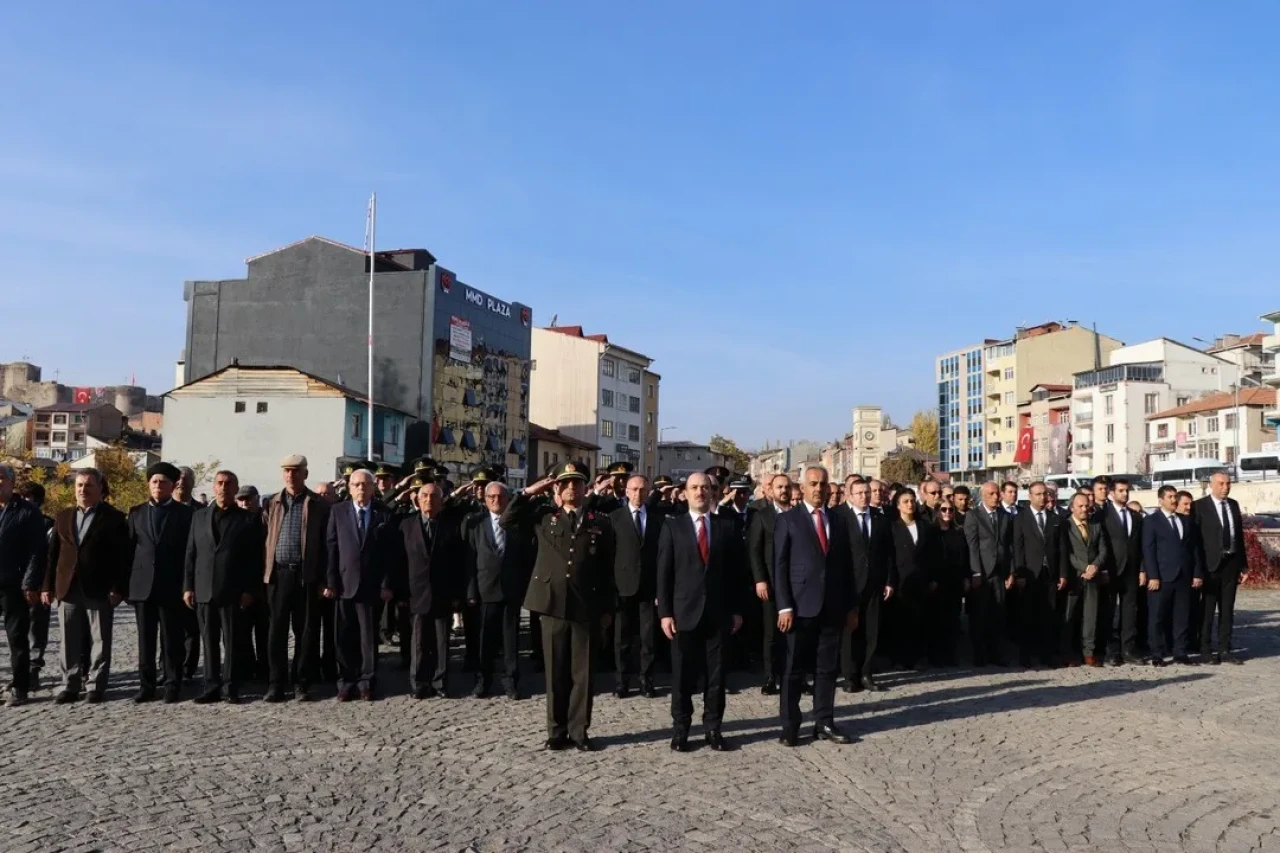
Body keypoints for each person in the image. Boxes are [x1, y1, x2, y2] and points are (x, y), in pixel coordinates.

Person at [502, 463, 615, 752]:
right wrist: (529, 491)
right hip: (551, 604)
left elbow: (606, 569)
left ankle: (579, 731)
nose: (570, 488)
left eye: (576, 483)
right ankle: (556, 731)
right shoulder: (544, 518)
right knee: (555, 672)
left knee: (583, 674)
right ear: (557, 488)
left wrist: (606, 610)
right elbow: (507, 519)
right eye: (565, 483)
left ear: (585, 488)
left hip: (585, 606)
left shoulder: (599, 522)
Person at [657, 472, 745, 752]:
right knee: (682, 675)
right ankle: (681, 729)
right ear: (684, 492)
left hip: (718, 613)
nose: (700, 492)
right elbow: (664, 573)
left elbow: (736, 574)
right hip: (684, 613)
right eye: (694, 488)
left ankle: (713, 728)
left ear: (713, 493)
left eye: (705, 488)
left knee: (716, 676)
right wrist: (665, 613)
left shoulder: (726, 527)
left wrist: (737, 610)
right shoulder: (673, 527)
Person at [773, 465, 858, 747]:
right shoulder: (789, 519)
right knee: (794, 669)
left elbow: (847, 567)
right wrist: (784, 606)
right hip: (799, 606)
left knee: (827, 669)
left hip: (832, 606)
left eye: (823, 483)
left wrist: (850, 607)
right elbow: (780, 566)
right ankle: (790, 725)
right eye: (813, 483)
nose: (819, 488)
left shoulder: (838, 520)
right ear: (803, 487)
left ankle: (824, 722)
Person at [45, 468, 130, 704]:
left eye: (89, 486)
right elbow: (53, 555)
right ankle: (70, 684)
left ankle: (95, 685)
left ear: (100, 489)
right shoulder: (63, 516)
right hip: (67, 588)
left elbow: (122, 557)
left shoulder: (114, 518)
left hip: (99, 588)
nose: (83, 490)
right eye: (79, 485)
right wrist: (47, 586)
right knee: (68, 639)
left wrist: (119, 587)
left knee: (99, 640)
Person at [183, 470, 265, 703]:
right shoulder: (199, 517)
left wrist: (250, 590)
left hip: (233, 591)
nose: (224, 487)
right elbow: (191, 553)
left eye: (229, 484)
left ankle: (231, 686)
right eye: (220, 483)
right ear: (213, 487)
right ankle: (211, 685)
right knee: (208, 641)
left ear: (235, 488)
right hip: (204, 590)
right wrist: (188, 586)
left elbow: (254, 559)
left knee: (232, 642)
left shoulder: (248, 520)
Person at [262, 455, 331, 702]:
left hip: (306, 577)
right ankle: (276, 684)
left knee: (306, 633)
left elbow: (326, 546)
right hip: (278, 576)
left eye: (296, 471)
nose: (291, 475)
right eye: (287, 471)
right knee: (276, 633)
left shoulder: (317, 505)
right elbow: (264, 539)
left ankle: (302, 683)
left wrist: (324, 579)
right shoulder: (272, 503)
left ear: (305, 473)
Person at [127, 462, 196, 703]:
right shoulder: (136, 513)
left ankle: (171, 685)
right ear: (148, 484)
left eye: (163, 482)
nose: (158, 486)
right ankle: (146, 686)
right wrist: (126, 587)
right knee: (145, 640)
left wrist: (188, 585)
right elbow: (128, 551)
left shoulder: (186, 515)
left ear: (173, 485)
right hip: (142, 587)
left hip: (171, 586)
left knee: (171, 640)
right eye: (154, 481)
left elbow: (190, 553)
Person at [324, 468, 393, 700]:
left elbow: (388, 554)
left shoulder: (383, 514)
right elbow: (331, 547)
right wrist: (331, 581)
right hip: (344, 584)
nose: (361, 488)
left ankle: (367, 680)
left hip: (371, 586)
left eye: (365, 484)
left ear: (373, 487)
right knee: (344, 636)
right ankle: (346, 680)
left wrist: (385, 584)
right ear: (349, 488)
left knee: (368, 637)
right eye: (356, 484)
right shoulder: (338, 511)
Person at [465, 481, 534, 699]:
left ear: (507, 499)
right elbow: (470, 561)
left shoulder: (517, 525)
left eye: (501, 497)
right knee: (485, 641)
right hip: (485, 592)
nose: (496, 501)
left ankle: (511, 682)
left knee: (510, 642)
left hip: (511, 591)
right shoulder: (476, 525)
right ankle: (483, 681)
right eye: (492, 497)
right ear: (485, 500)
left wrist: (524, 589)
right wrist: (471, 592)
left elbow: (526, 559)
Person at [835, 479, 894, 693]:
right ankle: (850, 676)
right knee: (850, 631)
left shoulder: (879, 518)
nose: (864, 496)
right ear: (849, 495)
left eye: (866, 492)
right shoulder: (840, 517)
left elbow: (888, 553)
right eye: (859, 493)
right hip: (849, 583)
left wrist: (889, 580)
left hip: (874, 583)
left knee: (871, 630)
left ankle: (866, 673)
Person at [608, 474, 663, 699]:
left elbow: (662, 555)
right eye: (634, 489)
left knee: (648, 638)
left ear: (648, 491)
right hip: (623, 587)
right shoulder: (615, 518)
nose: (638, 494)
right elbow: (609, 555)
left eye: (642, 490)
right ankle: (622, 681)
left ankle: (646, 681)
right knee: (622, 638)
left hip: (649, 587)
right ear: (626, 492)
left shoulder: (659, 519)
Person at [0, 464, 48, 706]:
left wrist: (29, 582)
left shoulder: (27, 512)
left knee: (17, 636)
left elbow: (36, 551)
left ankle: (20, 686)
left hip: (13, 583)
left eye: (1, 479)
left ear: (11, 482)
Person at [1142, 485, 1204, 667]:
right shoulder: (1152, 521)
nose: (1173, 500)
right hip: (1161, 577)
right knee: (1157, 616)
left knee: (1181, 616)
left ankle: (1180, 652)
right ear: (1160, 500)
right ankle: (1157, 653)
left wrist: (1197, 573)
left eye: (1175, 496)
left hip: (1183, 576)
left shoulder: (1185, 521)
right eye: (1169, 496)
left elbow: (1194, 550)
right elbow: (1149, 549)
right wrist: (1152, 575)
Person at [1193, 472, 1247, 664]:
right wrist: (1197, 570)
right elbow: (1196, 542)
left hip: (1231, 564)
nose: (1226, 487)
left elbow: (1238, 536)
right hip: (1210, 566)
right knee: (1207, 609)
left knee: (1227, 609)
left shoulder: (1233, 505)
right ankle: (1205, 649)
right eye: (1222, 483)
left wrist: (1243, 565)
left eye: (1228, 483)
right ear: (1212, 485)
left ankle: (1225, 648)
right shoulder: (1199, 506)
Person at [746, 473, 791, 695]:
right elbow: (754, 551)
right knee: (772, 633)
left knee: (794, 633)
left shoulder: (798, 515)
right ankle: (771, 676)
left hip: (796, 584)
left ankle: (794, 676)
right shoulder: (762, 516)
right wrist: (760, 579)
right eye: (779, 487)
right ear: (771, 491)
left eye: (786, 487)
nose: (783, 490)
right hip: (770, 584)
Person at [888, 488, 939, 671]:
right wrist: (890, 581)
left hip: (921, 580)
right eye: (906, 501)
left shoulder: (924, 526)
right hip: (901, 581)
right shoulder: (892, 527)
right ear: (898, 505)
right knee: (900, 621)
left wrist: (933, 578)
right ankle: (900, 658)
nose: (910, 505)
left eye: (912, 501)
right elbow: (890, 557)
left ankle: (917, 657)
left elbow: (933, 555)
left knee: (919, 620)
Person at [1012, 482, 1062, 667]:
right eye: (1038, 494)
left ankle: (1046, 656)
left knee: (1048, 617)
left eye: (1045, 494)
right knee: (1027, 616)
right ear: (1030, 496)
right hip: (1030, 574)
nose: (1042, 497)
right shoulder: (1020, 518)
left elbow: (1060, 548)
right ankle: (1025, 657)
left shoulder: (1054, 518)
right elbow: (1018, 548)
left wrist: (1062, 573)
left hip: (1049, 574)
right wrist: (1020, 573)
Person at [964, 481, 1014, 666]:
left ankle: (996, 654)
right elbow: (972, 546)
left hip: (999, 572)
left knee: (998, 614)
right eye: (992, 493)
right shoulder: (973, 515)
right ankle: (979, 655)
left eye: (997, 493)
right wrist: (975, 572)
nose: (996, 497)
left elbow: (1009, 546)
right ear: (984, 495)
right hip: (982, 573)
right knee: (979, 616)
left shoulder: (1005, 516)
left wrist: (1011, 571)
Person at [1098, 477, 1145, 665]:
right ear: (1111, 493)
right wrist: (1101, 569)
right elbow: (1099, 544)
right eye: (1120, 491)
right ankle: (1110, 650)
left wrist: (1142, 569)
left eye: (1127, 491)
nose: (1125, 494)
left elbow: (1141, 546)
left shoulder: (1135, 516)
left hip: (1131, 571)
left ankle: (1128, 649)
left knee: (1129, 611)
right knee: (1109, 611)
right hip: (1110, 570)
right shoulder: (1102, 515)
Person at [1061, 493, 1110, 667]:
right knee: (1070, 616)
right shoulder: (1065, 525)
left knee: (1091, 616)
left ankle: (1088, 652)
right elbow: (1067, 552)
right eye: (1080, 506)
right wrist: (1084, 567)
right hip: (1074, 577)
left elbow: (1103, 549)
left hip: (1092, 577)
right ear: (1072, 507)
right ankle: (1068, 653)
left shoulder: (1096, 525)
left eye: (1086, 506)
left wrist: (1095, 566)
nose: (1084, 509)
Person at [18, 481, 54, 691]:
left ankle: (33, 669)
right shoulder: (9, 520)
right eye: (24, 499)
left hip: (38, 584)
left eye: (31, 500)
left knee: (37, 628)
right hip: (13, 583)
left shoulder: (47, 525)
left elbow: (48, 557)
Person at [172, 466, 203, 680]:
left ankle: (188, 668)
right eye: (179, 479)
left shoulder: (201, 512)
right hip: (168, 577)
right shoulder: (164, 508)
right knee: (168, 628)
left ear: (193, 483)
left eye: (187, 479)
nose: (182, 482)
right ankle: (167, 666)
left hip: (193, 577)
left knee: (192, 628)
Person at [932, 501, 968, 665]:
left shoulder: (958, 532)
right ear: (937, 512)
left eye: (950, 510)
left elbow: (964, 557)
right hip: (937, 582)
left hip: (955, 581)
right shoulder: (930, 532)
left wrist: (966, 577)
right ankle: (937, 656)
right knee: (937, 619)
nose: (947, 512)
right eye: (943, 509)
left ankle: (951, 655)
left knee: (954, 618)